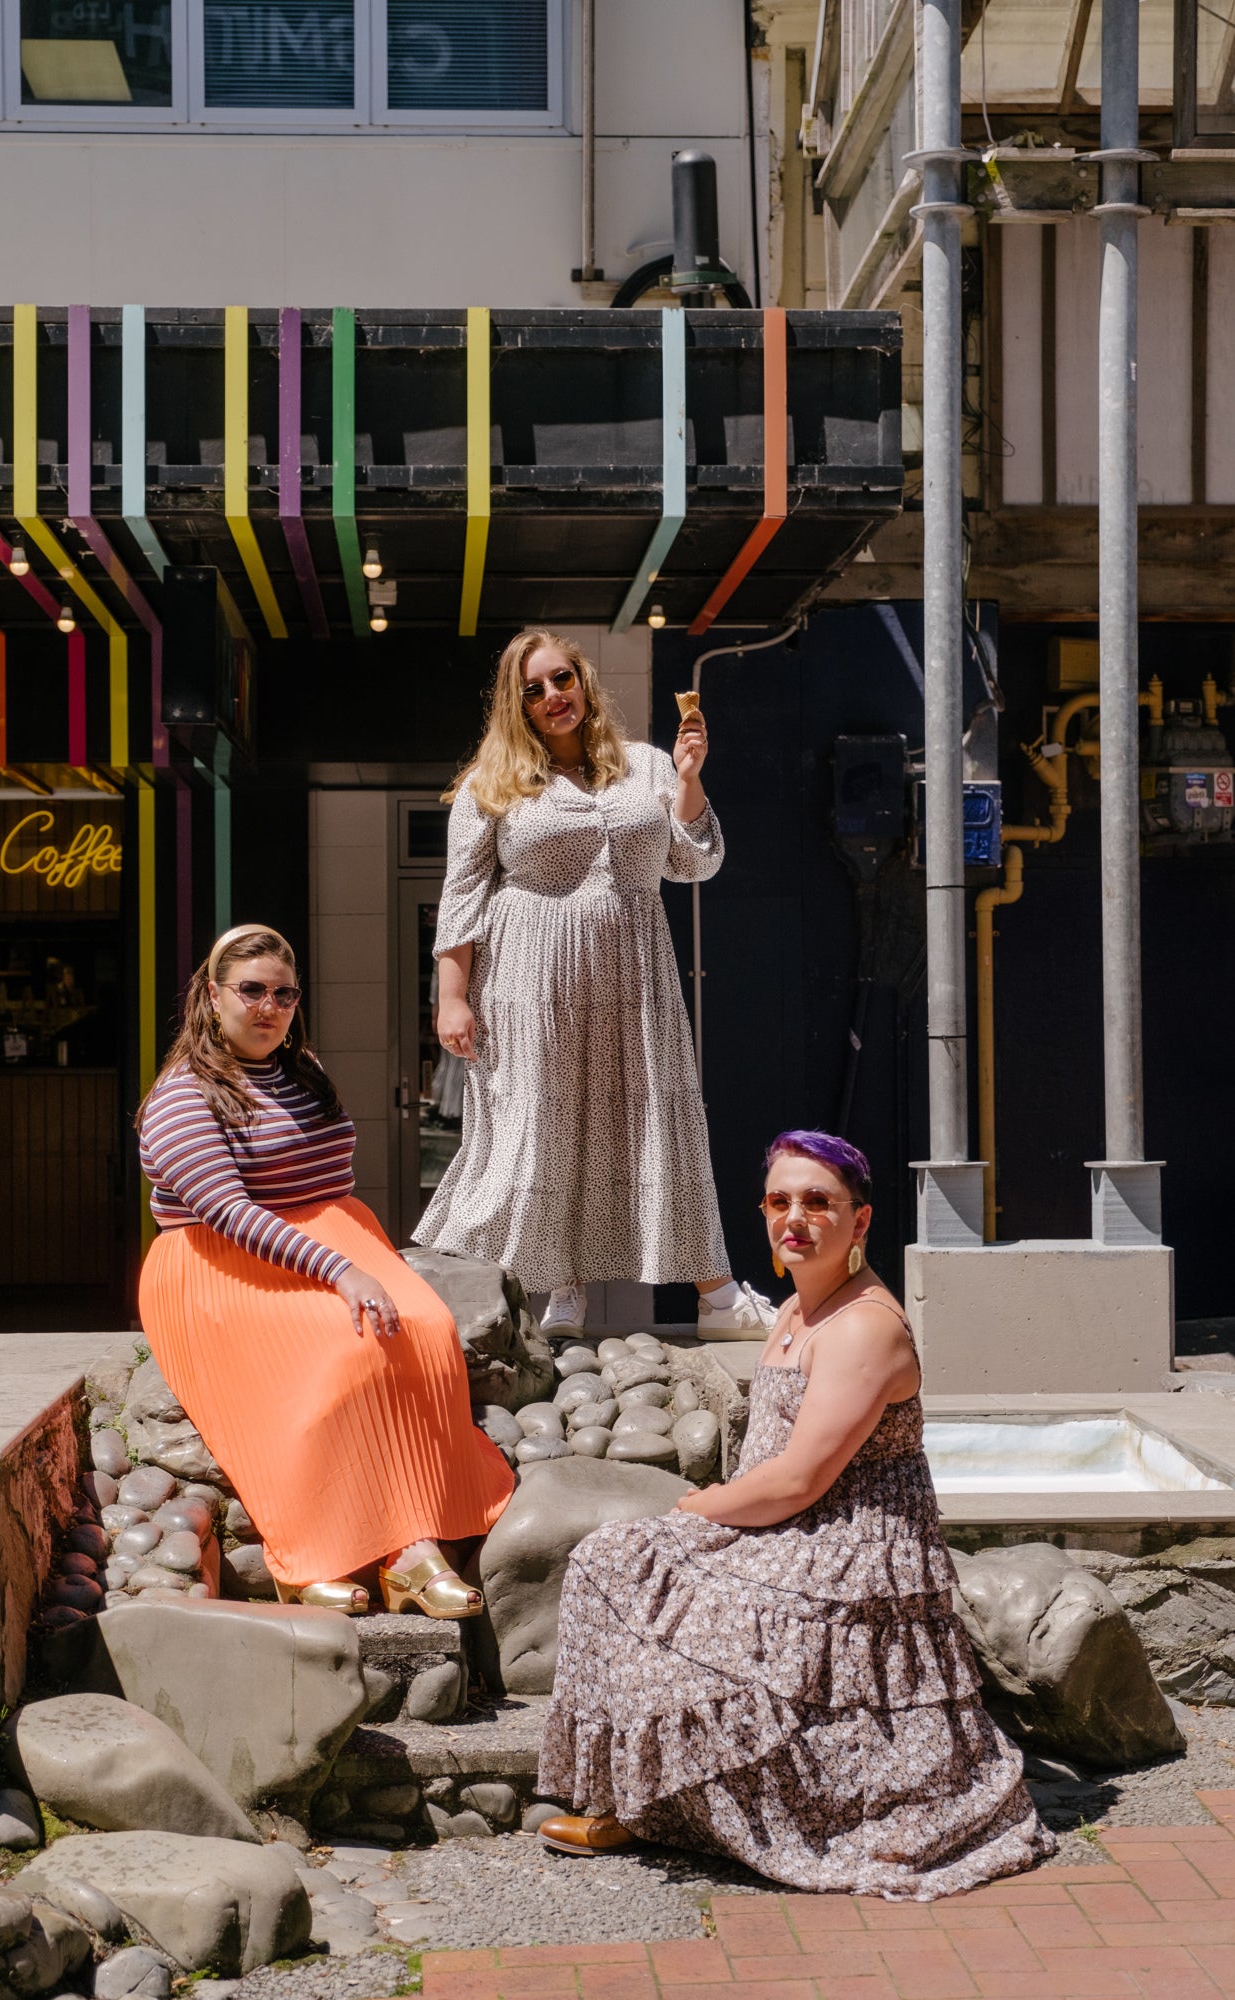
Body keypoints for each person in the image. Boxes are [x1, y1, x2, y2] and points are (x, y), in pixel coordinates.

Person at [535, 1129, 1053, 1898]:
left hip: (850, 1547)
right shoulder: (796, 1308)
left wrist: (696, 1509)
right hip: (795, 1526)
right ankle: (648, 1797)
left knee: (630, 1564)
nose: (795, 1219)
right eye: (780, 1201)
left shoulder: (864, 1326)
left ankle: (691, 1801)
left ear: (861, 1219)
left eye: (818, 1202)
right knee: (613, 1560)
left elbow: (801, 1478)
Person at [137, 923, 513, 1617]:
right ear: (210, 996)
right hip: (220, 1264)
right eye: (250, 990)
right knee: (346, 1357)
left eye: (283, 993)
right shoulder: (182, 1096)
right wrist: (341, 1271)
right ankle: (330, 1552)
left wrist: (354, 1255)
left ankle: (407, 1545)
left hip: (329, 1240)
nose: (268, 1006)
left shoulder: (299, 1067)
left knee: (426, 1328)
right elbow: (226, 1211)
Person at [412, 626, 775, 1336]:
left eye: (561, 679)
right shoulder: (493, 784)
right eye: (533, 689)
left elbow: (693, 864)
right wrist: (451, 996)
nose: (552, 697)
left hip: (635, 971)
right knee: (543, 1122)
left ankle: (717, 1295)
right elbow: (462, 894)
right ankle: (561, 1290)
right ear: (514, 706)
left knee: (657, 1117)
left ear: (582, 680)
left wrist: (690, 781)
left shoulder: (645, 765)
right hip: (528, 973)